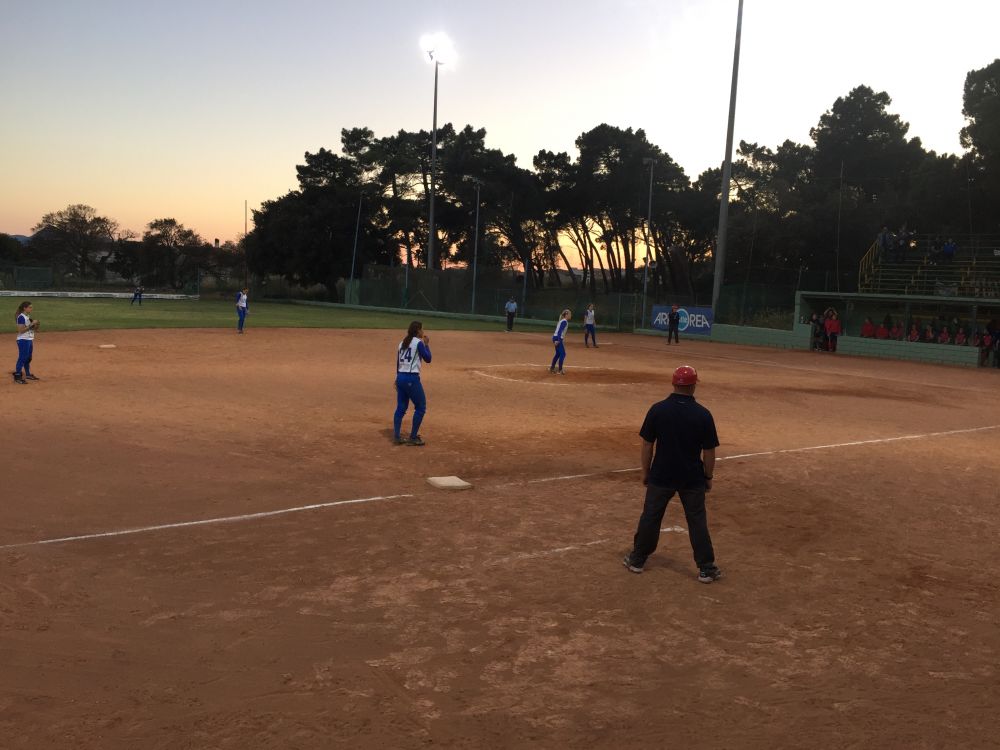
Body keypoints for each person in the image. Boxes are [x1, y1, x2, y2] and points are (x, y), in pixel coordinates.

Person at [622, 364, 721, 583]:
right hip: (692, 477)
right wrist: (708, 476)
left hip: (661, 475)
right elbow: (709, 451)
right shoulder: (703, 414)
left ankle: (637, 560)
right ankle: (706, 568)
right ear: (693, 386)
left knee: (651, 517)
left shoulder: (658, 409)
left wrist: (646, 472)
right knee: (697, 521)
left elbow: (647, 445)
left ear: (674, 384)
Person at [393, 320, 432, 446]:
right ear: (418, 331)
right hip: (411, 379)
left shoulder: (401, 343)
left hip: (400, 377)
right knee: (421, 407)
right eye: (422, 329)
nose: (423, 331)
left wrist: (396, 378)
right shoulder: (418, 343)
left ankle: (397, 436)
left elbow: (398, 364)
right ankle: (413, 437)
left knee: (401, 408)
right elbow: (428, 359)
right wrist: (426, 345)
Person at [13, 300, 40, 385]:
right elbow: (21, 330)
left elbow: (32, 329)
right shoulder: (21, 317)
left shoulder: (27, 316)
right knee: (22, 358)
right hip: (23, 340)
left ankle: (27, 374)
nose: (31, 309)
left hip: (29, 339)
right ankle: (17, 376)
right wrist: (31, 324)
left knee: (28, 358)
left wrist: (35, 326)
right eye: (30, 307)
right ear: (25, 308)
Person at [549, 309, 571, 374]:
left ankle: (552, 368)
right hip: (557, 338)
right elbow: (559, 331)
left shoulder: (563, 321)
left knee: (558, 354)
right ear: (566, 315)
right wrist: (558, 340)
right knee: (563, 354)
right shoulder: (564, 321)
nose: (570, 315)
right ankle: (560, 370)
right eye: (570, 314)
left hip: (556, 337)